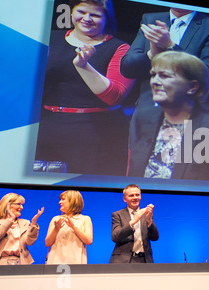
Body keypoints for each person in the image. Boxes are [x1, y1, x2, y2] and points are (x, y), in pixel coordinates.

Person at [35, 0, 135, 176]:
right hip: (47, 128)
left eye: (95, 15)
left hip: (98, 134)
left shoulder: (120, 48)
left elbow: (115, 96)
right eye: (81, 12)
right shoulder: (48, 38)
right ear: (71, 13)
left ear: (107, 19)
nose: (87, 19)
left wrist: (83, 65)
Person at [126, 51, 209, 181]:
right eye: (153, 75)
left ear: (192, 87)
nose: (155, 82)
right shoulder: (143, 118)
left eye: (164, 76)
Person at [120, 7, 209, 118]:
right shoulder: (151, 19)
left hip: (190, 115)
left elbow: (208, 76)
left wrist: (169, 45)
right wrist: (152, 54)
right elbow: (127, 68)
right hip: (148, 112)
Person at [110, 184, 159, 263]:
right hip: (123, 260)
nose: (135, 198)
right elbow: (115, 237)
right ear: (124, 199)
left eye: (137, 195)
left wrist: (149, 221)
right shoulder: (117, 215)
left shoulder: (146, 214)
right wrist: (133, 221)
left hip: (145, 260)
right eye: (131, 195)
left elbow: (155, 237)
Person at [0, 193, 43, 265]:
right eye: (18, 204)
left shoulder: (24, 223)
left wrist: (33, 224)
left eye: (22, 205)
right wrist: (10, 220)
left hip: (21, 262)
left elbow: (29, 242)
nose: (21, 207)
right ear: (7, 205)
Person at [45, 190, 93, 264]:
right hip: (55, 262)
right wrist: (56, 229)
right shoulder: (56, 219)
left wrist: (73, 226)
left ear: (73, 201)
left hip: (77, 262)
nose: (59, 202)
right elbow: (47, 243)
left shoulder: (85, 219)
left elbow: (89, 240)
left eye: (63, 199)